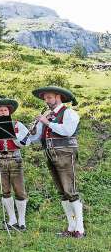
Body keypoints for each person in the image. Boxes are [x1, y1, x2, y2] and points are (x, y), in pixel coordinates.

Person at [28, 86, 84, 238]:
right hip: (50, 153)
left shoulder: (69, 113)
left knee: (70, 190)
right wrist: (31, 131)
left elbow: (67, 131)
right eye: (45, 98)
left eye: (49, 98)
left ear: (58, 97)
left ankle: (80, 229)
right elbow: (36, 138)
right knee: (62, 192)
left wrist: (46, 122)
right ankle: (71, 227)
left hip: (65, 152)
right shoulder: (47, 114)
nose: (46, 101)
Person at [0, 98, 29, 231]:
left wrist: (14, 136)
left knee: (20, 190)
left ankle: (22, 220)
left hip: (15, 159)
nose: (3, 112)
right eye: (0, 110)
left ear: (9, 112)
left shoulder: (17, 124)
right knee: (5, 190)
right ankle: (11, 219)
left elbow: (26, 142)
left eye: (5, 110)